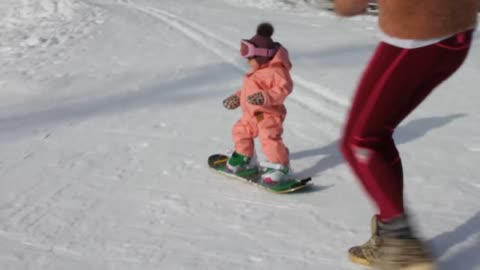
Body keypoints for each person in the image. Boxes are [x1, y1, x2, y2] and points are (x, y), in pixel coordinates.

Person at [334, 0, 479, 269]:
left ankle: (400, 243)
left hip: (415, 41)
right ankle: (392, 232)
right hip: (457, 39)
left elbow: (348, 6)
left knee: (359, 141)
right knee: (376, 134)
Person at [222, 22, 294, 184]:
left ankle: (280, 167)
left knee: (269, 137)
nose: (248, 62)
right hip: (251, 115)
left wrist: (265, 97)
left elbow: (284, 89)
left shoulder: (277, 72)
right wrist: (237, 98)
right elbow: (248, 91)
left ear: (262, 57)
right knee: (239, 131)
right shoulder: (257, 71)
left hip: (268, 115)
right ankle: (245, 158)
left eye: (250, 59)